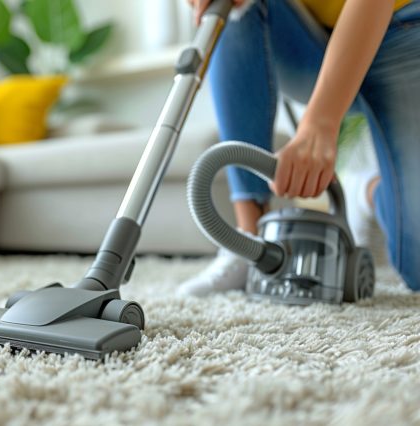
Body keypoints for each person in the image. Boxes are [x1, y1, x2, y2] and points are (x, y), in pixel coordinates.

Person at [177, 0, 420, 296]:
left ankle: (369, 192)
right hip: (309, 37)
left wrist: (320, 124)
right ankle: (249, 243)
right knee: (232, 5)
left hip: (406, 31)